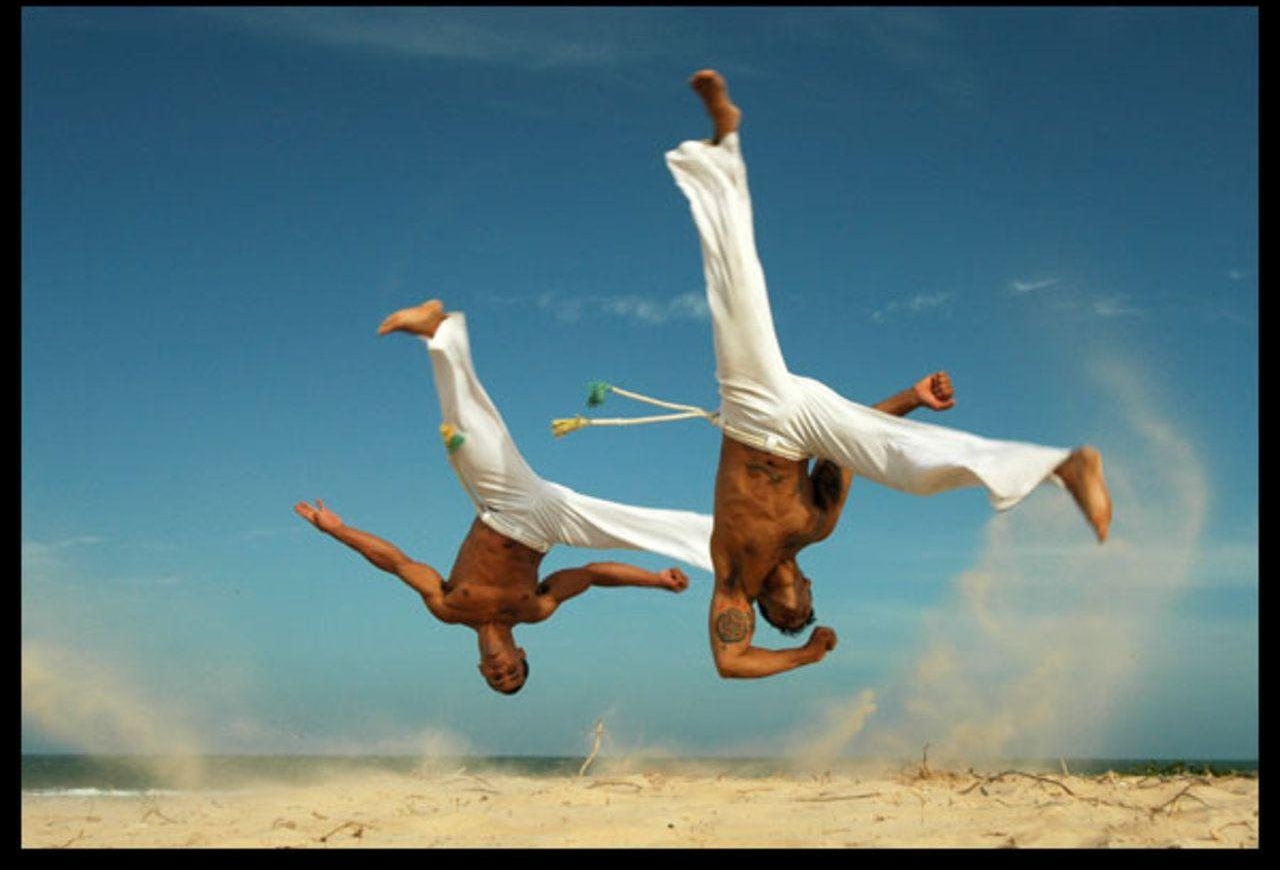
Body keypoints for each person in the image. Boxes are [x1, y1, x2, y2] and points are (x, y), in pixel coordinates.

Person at [666, 70, 1113, 679]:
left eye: (789, 607)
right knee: (909, 468)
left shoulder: (734, 579)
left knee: (736, 289)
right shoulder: (817, 524)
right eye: (804, 604)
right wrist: (915, 398)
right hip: (806, 423)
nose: (795, 595)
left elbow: (730, 662)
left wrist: (799, 651)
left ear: (768, 603)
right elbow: (860, 445)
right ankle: (1062, 464)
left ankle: (722, 146)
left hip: (753, 417)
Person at [295, 300, 713, 694]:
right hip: (549, 524)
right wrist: (655, 580)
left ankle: (438, 331)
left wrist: (339, 531)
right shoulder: (534, 610)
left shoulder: (449, 608)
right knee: (636, 530)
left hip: (505, 507)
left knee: (470, 434)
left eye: (497, 677)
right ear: (521, 653)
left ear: (482, 670)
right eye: (512, 670)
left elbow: (398, 563)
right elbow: (591, 574)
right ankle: (732, 549)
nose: (502, 669)